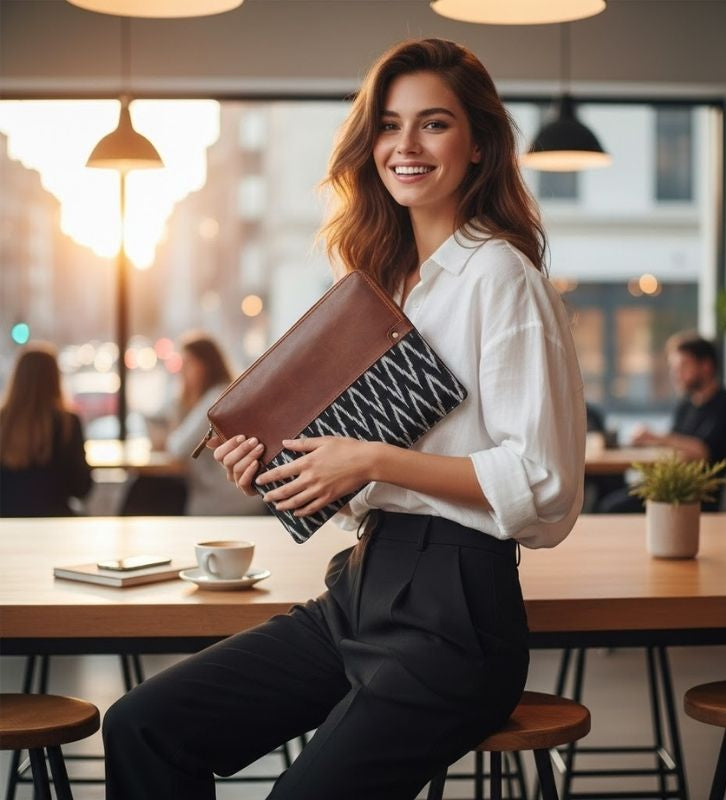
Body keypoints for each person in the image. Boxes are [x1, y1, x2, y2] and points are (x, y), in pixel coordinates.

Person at [103, 38, 586, 800]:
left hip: (454, 618)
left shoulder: (501, 275)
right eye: (389, 126)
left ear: (479, 144)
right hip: (361, 591)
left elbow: (546, 487)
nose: (405, 146)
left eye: (433, 124)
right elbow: (368, 489)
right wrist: (286, 469)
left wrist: (370, 462)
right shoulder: (390, 286)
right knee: (142, 724)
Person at [598, 333, 726, 513]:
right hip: (676, 487)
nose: (676, 374)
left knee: (612, 507)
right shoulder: (686, 405)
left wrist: (657, 437)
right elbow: (672, 445)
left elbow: (702, 452)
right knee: (608, 486)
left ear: (706, 366)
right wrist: (644, 442)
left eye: (683, 366)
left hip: (699, 494)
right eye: (673, 367)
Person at [155, 333, 263, 516]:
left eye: (188, 363)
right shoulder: (215, 394)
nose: (182, 371)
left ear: (204, 365)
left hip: (223, 500)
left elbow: (177, 447)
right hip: (235, 497)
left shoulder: (216, 398)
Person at [0, 343, 92, 516]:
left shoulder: (3, 422)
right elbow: (81, 488)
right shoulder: (68, 423)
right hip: (55, 523)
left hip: (5, 523)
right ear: (55, 378)